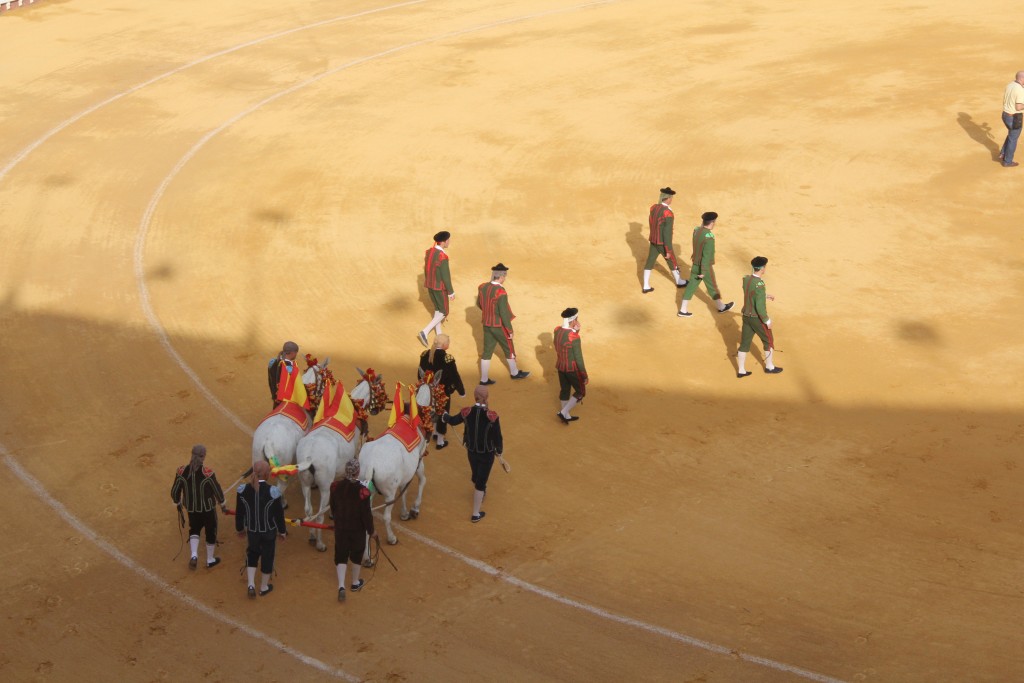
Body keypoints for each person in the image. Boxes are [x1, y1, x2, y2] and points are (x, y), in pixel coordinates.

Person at [443, 385, 503, 523]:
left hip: (471, 453)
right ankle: (476, 514)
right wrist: (499, 450)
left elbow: (452, 420)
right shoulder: (492, 416)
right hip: (486, 455)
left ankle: (480, 491)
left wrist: (444, 416)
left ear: (474, 396)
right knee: (480, 483)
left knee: (476, 477)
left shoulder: (466, 412)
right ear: (486, 397)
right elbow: (497, 436)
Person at [235, 460, 288, 598]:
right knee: (267, 557)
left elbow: (240, 513)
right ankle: (263, 587)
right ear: (267, 474)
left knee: (252, 554)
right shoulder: (273, 492)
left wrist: (240, 529)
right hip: (268, 532)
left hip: (252, 531)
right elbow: (279, 515)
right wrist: (282, 531)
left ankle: (251, 584)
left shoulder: (243, 491)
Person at [169, 444, 225, 569]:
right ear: (203, 457)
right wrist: (223, 504)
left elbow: (174, 492)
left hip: (191, 509)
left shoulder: (181, 472)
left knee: (194, 529)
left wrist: (177, 503)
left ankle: (194, 555)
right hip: (208, 509)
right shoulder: (208, 474)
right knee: (211, 531)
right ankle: (210, 559)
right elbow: (217, 491)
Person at [329, 459, 376, 603]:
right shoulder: (363, 491)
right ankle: (355, 583)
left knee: (341, 554)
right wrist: (372, 531)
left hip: (341, 527)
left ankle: (341, 585)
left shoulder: (335, 486)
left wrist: (338, 520)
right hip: (357, 530)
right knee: (356, 554)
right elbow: (366, 514)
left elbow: (333, 507)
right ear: (357, 472)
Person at [477, 263, 529, 384]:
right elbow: (504, 313)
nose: (505, 279)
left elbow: (479, 304)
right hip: (498, 326)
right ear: (501, 277)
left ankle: (483, 379)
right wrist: (509, 330)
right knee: (508, 347)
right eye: (504, 277)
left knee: (487, 351)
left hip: (486, 324)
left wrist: (488, 312)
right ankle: (514, 373)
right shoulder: (501, 292)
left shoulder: (482, 287)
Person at [678, 212, 734, 317]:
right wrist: (703, 271)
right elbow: (706, 256)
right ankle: (721, 307)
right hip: (705, 267)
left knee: (691, 286)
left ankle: (683, 309)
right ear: (712, 222)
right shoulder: (709, 237)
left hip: (695, 263)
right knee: (712, 286)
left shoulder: (696, 230)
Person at [737, 256, 783, 377]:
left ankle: (741, 370)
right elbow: (760, 307)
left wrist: (764, 295)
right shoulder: (760, 284)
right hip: (757, 318)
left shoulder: (746, 279)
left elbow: (750, 292)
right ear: (762, 268)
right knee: (768, 341)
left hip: (746, 316)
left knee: (744, 343)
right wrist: (767, 320)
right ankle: (769, 366)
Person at [418, 333, 466, 449]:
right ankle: (440, 441)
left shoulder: (425, 355)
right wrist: (461, 391)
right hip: (442, 392)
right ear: (445, 345)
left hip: (428, 391)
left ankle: (432, 432)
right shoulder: (447, 359)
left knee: (430, 411)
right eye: (448, 343)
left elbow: (419, 374)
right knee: (442, 413)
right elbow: (455, 376)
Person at [642, 187, 688, 294]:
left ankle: (645, 285)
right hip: (662, 242)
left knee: (650, 261)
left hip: (653, 240)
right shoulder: (668, 213)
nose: (671, 200)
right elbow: (667, 233)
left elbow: (651, 222)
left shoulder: (653, 207)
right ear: (667, 198)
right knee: (672, 260)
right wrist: (668, 249)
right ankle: (679, 281)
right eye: (671, 198)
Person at [418, 230, 455, 348]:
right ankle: (425, 331)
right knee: (444, 311)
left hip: (430, 285)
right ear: (444, 242)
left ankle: (439, 336)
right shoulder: (442, 256)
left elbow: (426, 269)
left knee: (438, 309)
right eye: (448, 240)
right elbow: (445, 276)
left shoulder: (429, 252)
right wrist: (450, 292)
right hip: (439, 288)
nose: (449, 242)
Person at [553, 307, 587, 424]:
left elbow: (564, 342)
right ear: (573, 320)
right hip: (572, 369)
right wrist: (584, 375)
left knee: (565, 390)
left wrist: (575, 330)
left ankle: (566, 415)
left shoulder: (557, 330)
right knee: (580, 392)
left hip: (560, 366)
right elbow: (579, 358)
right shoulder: (574, 338)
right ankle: (563, 412)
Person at [1000, 71, 1024, 167]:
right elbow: (1018, 107)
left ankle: (1003, 153)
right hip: (1014, 118)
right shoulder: (1020, 90)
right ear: (1022, 79)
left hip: (1005, 115)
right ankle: (1007, 161)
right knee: (1013, 139)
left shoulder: (1010, 84)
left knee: (1011, 135)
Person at [267, 341, 299, 407]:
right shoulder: (290, 367)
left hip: (276, 400)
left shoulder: (272, 362)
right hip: (286, 402)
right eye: (296, 353)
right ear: (292, 353)